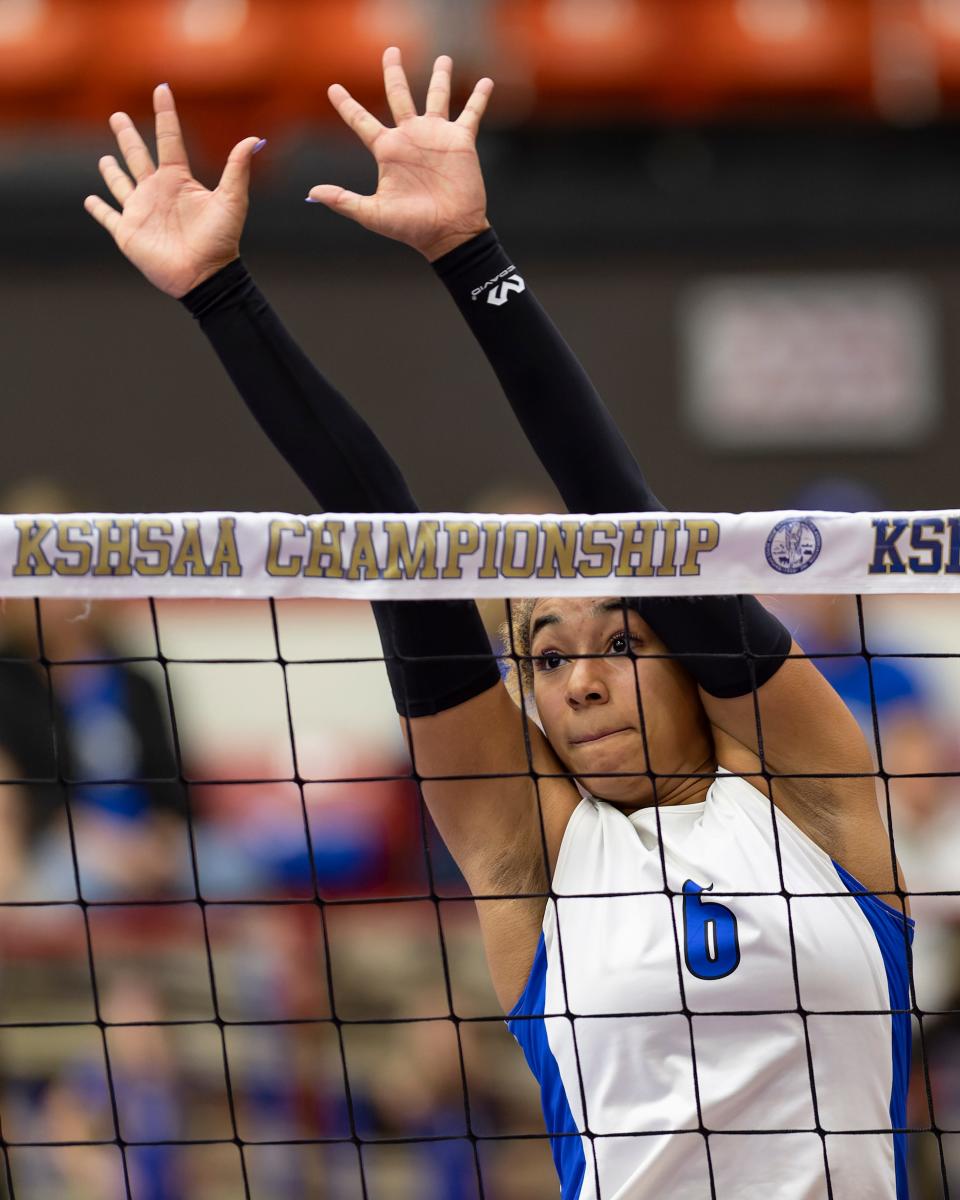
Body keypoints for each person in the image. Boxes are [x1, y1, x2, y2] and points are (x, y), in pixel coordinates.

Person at [84, 53, 914, 1200]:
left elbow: (626, 517)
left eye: (618, 643)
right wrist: (219, 293)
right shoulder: (534, 852)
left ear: (685, 652)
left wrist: (470, 256)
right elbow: (384, 539)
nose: (576, 682)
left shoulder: (813, 796)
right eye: (545, 655)